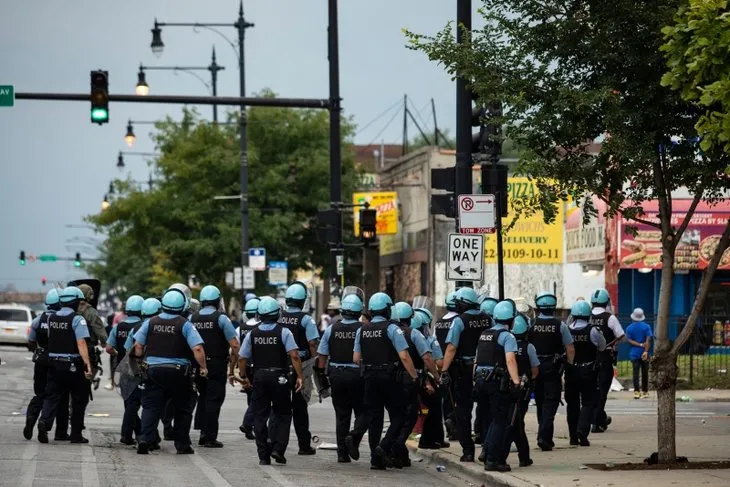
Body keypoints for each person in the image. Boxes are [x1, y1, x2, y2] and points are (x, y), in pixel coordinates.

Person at [133, 287, 207, 455]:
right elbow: (197, 349)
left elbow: (138, 347)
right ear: (183, 306)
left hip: (153, 371)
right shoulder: (185, 324)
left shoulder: (150, 322)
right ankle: (182, 445)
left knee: (151, 407)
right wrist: (203, 367)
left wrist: (141, 361)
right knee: (183, 408)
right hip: (179, 373)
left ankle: (145, 438)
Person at [350, 292, 419, 470]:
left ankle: (376, 460)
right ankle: (384, 446)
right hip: (389, 377)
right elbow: (404, 356)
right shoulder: (392, 328)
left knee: (375, 418)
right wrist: (414, 376)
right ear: (388, 309)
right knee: (399, 415)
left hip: (369, 378)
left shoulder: (362, 329)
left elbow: (356, 358)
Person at [237, 296, 304, 465]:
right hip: (280, 377)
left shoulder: (252, 333)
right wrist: (300, 376)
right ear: (278, 314)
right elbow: (294, 356)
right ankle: (278, 449)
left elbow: (242, 358)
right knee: (283, 414)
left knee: (260, 416)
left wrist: (244, 377)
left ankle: (263, 456)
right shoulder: (284, 332)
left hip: (259, 376)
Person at [440, 287, 492, 462]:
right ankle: (487, 448)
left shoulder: (459, 321)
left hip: (464, 371)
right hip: (486, 371)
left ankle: (468, 451)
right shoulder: (488, 318)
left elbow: (451, 348)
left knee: (463, 412)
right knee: (486, 410)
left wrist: (444, 370)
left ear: (463, 303)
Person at [37, 286, 93, 444]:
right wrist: (87, 364)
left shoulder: (52, 318)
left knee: (53, 397)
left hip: (54, 364)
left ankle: (45, 422)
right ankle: (75, 434)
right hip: (73, 365)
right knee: (78, 400)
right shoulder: (77, 319)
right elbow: (81, 343)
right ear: (75, 302)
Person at [316, 290, 367, 463]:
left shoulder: (331, 329)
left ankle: (342, 453)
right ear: (359, 310)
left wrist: (322, 376)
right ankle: (354, 437)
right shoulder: (364, 329)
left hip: (336, 374)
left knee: (342, 415)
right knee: (364, 412)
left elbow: (322, 356)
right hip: (358, 375)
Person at [473, 299, 523, 472]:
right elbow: (510, 360)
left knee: (489, 419)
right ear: (511, 319)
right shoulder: (507, 336)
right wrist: (516, 382)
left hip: (480, 381)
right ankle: (493, 460)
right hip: (495, 382)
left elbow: (477, 359)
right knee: (499, 421)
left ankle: (486, 452)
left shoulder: (484, 333)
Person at [191, 285, 240, 448]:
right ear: (218, 301)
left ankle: (203, 432)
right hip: (216, 364)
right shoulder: (221, 319)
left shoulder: (193, 318)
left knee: (203, 397)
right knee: (214, 399)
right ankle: (210, 437)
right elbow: (234, 344)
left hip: (197, 364)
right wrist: (236, 364)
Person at [393, 302, 440, 467]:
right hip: (410, 380)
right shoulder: (414, 334)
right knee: (410, 415)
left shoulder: (390, 332)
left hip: (391, 380)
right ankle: (396, 448)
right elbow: (426, 359)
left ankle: (399, 454)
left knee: (396, 417)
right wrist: (435, 376)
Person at [277, 281, 320, 455]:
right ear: (303, 301)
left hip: (281, 366)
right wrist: (314, 361)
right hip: (300, 367)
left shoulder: (278, 316)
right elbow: (312, 343)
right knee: (300, 408)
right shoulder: (306, 319)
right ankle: (304, 445)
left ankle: (276, 443)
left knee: (280, 407)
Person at [529, 291, 575, 451]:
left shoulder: (531, 324)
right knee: (551, 402)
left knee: (541, 402)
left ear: (538, 306)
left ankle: (544, 435)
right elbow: (570, 348)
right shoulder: (560, 325)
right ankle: (544, 437)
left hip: (534, 368)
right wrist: (569, 366)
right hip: (552, 368)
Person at [25, 289, 69, 441]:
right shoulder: (62, 319)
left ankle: (31, 417)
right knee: (55, 395)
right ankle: (45, 426)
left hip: (41, 359)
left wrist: (38, 352)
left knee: (40, 393)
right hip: (57, 360)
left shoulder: (38, 319)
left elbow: (31, 341)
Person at [119, 297, 161, 448]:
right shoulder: (163, 326)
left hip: (137, 371)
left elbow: (127, 350)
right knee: (153, 406)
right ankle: (150, 437)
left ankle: (133, 435)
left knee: (134, 404)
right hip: (156, 371)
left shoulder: (136, 328)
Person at [566, 300, 606, 447]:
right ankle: (582, 431)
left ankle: (572, 436)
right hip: (588, 371)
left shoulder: (567, 329)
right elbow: (602, 346)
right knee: (588, 402)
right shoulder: (592, 330)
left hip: (571, 370)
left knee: (572, 404)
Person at [105, 295, 144, 444]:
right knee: (134, 404)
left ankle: (134, 432)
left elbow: (108, 348)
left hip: (122, 369)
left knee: (129, 402)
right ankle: (127, 435)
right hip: (137, 368)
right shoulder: (142, 326)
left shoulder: (118, 327)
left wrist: (117, 354)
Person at [589, 288, 626, 433]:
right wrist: (611, 343)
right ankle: (597, 423)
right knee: (602, 392)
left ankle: (600, 418)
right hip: (604, 358)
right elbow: (621, 336)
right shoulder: (610, 318)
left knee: (591, 392)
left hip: (588, 359)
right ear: (606, 302)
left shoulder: (586, 316)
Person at [411, 308, 448, 450]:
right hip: (427, 378)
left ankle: (432, 438)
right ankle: (431, 439)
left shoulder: (405, 338)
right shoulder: (429, 340)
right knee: (433, 408)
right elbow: (438, 363)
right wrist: (436, 377)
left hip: (409, 379)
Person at [506, 314, 539, 467]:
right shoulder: (529, 347)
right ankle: (523, 456)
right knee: (516, 422)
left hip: (506, 388)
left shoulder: (506, 343)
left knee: (511, 421)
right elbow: (535, 371)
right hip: (522, 390)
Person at [434, 291, 458, 442]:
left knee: (446, 395)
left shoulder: (439, 321)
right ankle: (455, 423)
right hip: (456, 362)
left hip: (441, 362)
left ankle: (448, 420)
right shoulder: (459, 320)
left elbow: (435, 342)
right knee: (458, 395)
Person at [236, 297, 260, 439]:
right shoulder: (263, 326)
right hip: (259, 366)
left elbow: (236, 351)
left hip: (246, 366)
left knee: (252, 397)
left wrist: (236, 369)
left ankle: (251, 428)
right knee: (259, 399)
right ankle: (247, 423)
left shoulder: (241, 327)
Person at [626, 308, 652, 399]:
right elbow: (648, 340)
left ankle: (636, 392)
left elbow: (629, 340)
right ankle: (645, 391)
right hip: (644, 353)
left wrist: (639, 344)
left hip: (634, 353)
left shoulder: (629, 328)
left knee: (635, 373)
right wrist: (645, 351)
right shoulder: (647, 327)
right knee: (645, 373)